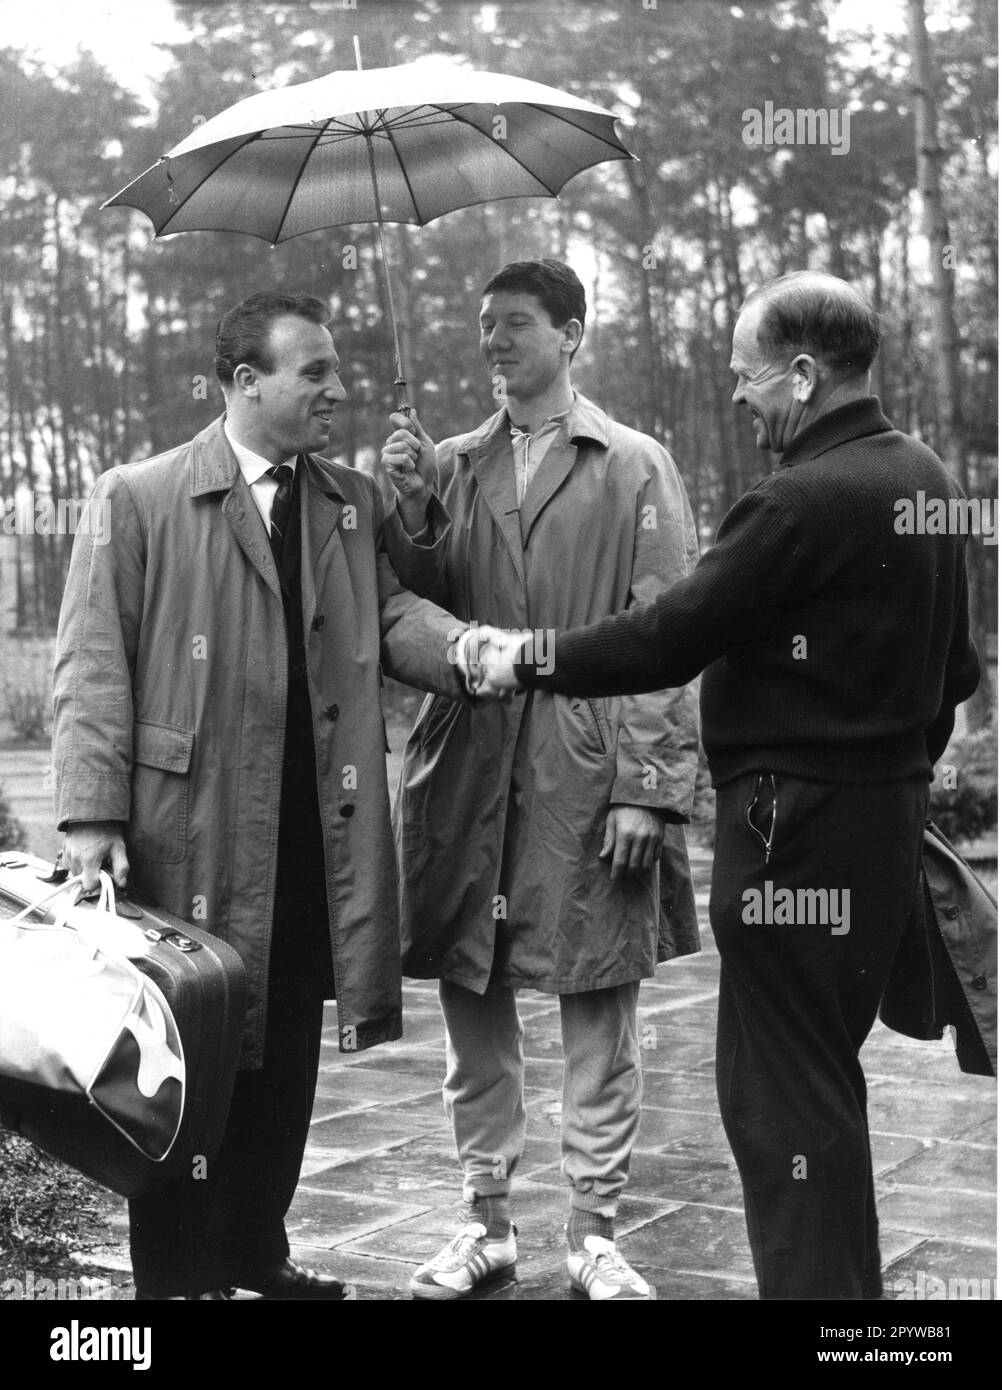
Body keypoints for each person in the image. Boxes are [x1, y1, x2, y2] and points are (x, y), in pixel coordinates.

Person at [477, 271, 982, 1300]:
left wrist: (525, 657)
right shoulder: (923, 473)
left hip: (787, 831)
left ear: (802, 373)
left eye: (749, 377)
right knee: (824, 1081)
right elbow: (957, 674)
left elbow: (670, 633)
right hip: (881, 824)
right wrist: (884, 773)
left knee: (778, 1101)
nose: (739, 399)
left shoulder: (799, 498)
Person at [51, 290, 470, 1301]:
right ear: (245, 383)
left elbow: (398, 609)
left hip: (313, 831)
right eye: (313, 371)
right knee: (188, 1062)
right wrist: (94, 816)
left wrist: (470, 648)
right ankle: (179, 1281)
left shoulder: (351, 501)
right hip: (183, 835)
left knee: (282, 1053)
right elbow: (90, 662)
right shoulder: (138, 495)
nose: (338, 387)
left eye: (335, 368)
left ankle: (254, 1253)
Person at [380, 258, 700, 1300]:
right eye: (484, 323)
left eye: (516, 322)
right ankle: (486, 1220)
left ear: (573, 332)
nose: (494, 341)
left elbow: (669, 628)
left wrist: (647, 785)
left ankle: (597, 1231)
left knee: (598, 996)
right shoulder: (453, 465)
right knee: (473, 991)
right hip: (470, 765)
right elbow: (412, 608)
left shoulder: (633, 464)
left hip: (587, 762)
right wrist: (412, 508)